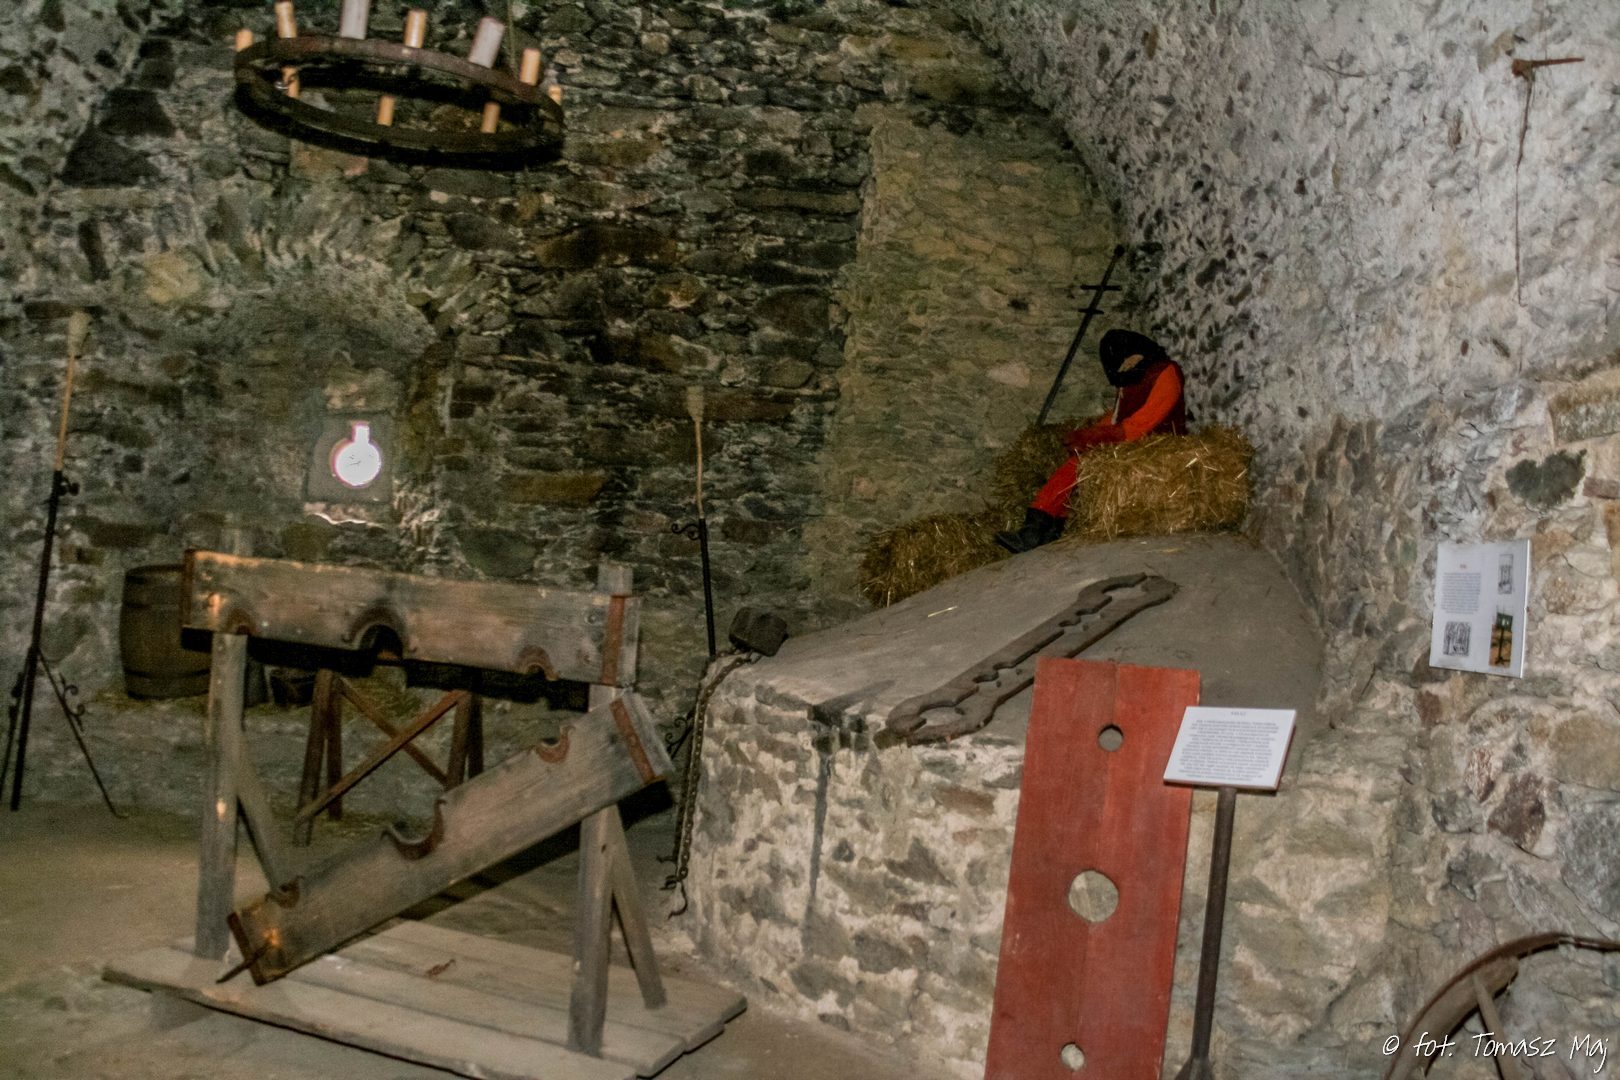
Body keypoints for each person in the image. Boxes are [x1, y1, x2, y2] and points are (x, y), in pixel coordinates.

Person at [995, 329, 1187, 553]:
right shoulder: (1131, 374)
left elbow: (1142, 423)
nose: (1124, 369)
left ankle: (1035, 530)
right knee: (1076, 462)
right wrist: (1091, 432)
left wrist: (1097, 437)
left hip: (1156, 444)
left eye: (1126, 362)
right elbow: (1118, 415)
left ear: (1137, 352)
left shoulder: (1166, 373)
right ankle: (1048, 528)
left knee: (1079, 464)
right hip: (1131, 440)